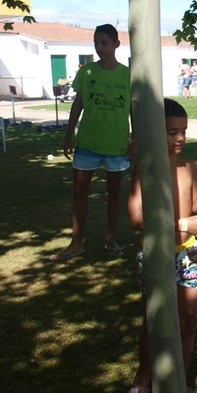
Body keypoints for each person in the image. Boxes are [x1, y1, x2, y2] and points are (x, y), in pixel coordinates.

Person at [124, 98, 197, 393]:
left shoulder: (189, 165)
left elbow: (192, 205)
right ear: (156, 133)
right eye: (171, 132)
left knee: (188, 319)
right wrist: (183, 224)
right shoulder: (146, 168)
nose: (179, 138)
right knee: (153, 319)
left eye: (183, 131)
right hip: (157, 254)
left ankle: (179, 381)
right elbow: (136, 219)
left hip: (187, 255)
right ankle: (143, 377)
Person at [49, 24, 132, 261]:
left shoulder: (128, 75)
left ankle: (111, 240)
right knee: (79, 193)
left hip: (116, 145)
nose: (99, 48)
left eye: (104, 43)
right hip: (86, 143)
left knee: (114, 194)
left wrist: (135, 138)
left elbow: (133, 109)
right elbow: (78, 104)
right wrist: (68, 135)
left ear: (116, 44)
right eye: (96, 43)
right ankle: (76, 243)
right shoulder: (86, 72)